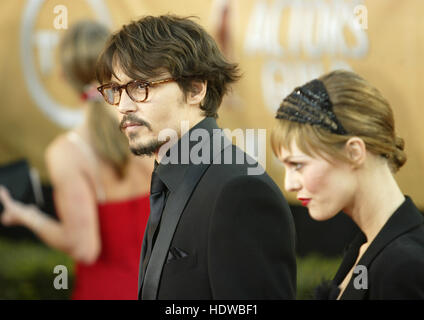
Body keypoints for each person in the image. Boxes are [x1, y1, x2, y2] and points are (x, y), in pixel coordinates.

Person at [96, 14, 296, 300]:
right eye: (115, 90)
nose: (123, 105)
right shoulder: (171, 176)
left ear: (195, 89)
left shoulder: (240, 191)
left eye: (141, 86)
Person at [0, 21, 154, 299]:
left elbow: (85, 248)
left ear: (62, 76)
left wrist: (29, 217)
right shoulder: (151, 130)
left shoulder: (67, 154)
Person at [271, 70, 424, 299]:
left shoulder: (404, 265)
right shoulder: (367, 247)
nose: (289, 184)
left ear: (354, 152)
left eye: (298, 165)